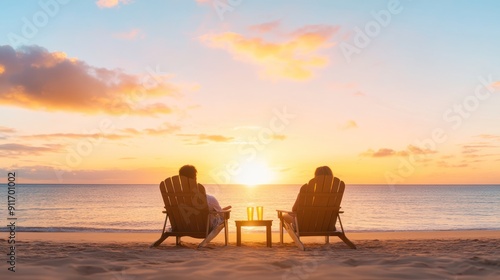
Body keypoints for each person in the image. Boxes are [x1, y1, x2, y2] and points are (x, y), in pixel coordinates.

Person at [178, 165, 231, 230]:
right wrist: (221, 212)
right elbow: (222, 216)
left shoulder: (176, 199)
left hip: (183, 227)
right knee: (224, 219)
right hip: (204, 228)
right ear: (195, 178)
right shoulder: (209, 200)